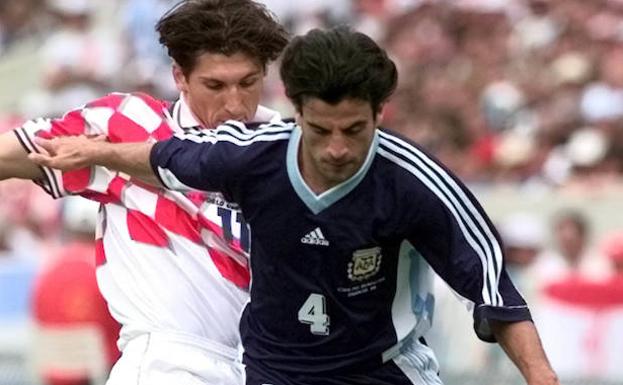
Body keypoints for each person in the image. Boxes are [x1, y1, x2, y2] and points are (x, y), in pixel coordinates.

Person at [29, 27, 559, 385]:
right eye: (321, 129)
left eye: (354, 130)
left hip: (383, 370)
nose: (336, 148)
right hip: (275, 374)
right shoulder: (251, 156)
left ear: (379, 112)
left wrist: (543, 379)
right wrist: (95, 151)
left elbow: (494, 292)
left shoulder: (414, 181)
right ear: (295, 111)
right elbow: (166, 157)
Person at [0, 1, 288, 384]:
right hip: (168, 365)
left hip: (262, 366)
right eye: (215, 86)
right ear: (180, 77)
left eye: (248, 83)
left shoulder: (287, 149)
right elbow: (8, 157)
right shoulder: (130, 124)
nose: (234, 104)